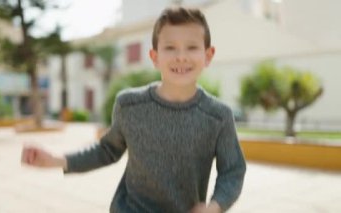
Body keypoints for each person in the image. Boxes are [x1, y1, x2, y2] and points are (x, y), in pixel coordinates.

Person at [21, 6, 246, 213]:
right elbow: (106, 151)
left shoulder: (219, 116)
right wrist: (56, 160)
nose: (181, 56)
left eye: (192, 47)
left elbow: (233, 170)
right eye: (170, 47)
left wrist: (215, 206)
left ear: (208, 55)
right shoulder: (129, 105)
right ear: (154, 57)